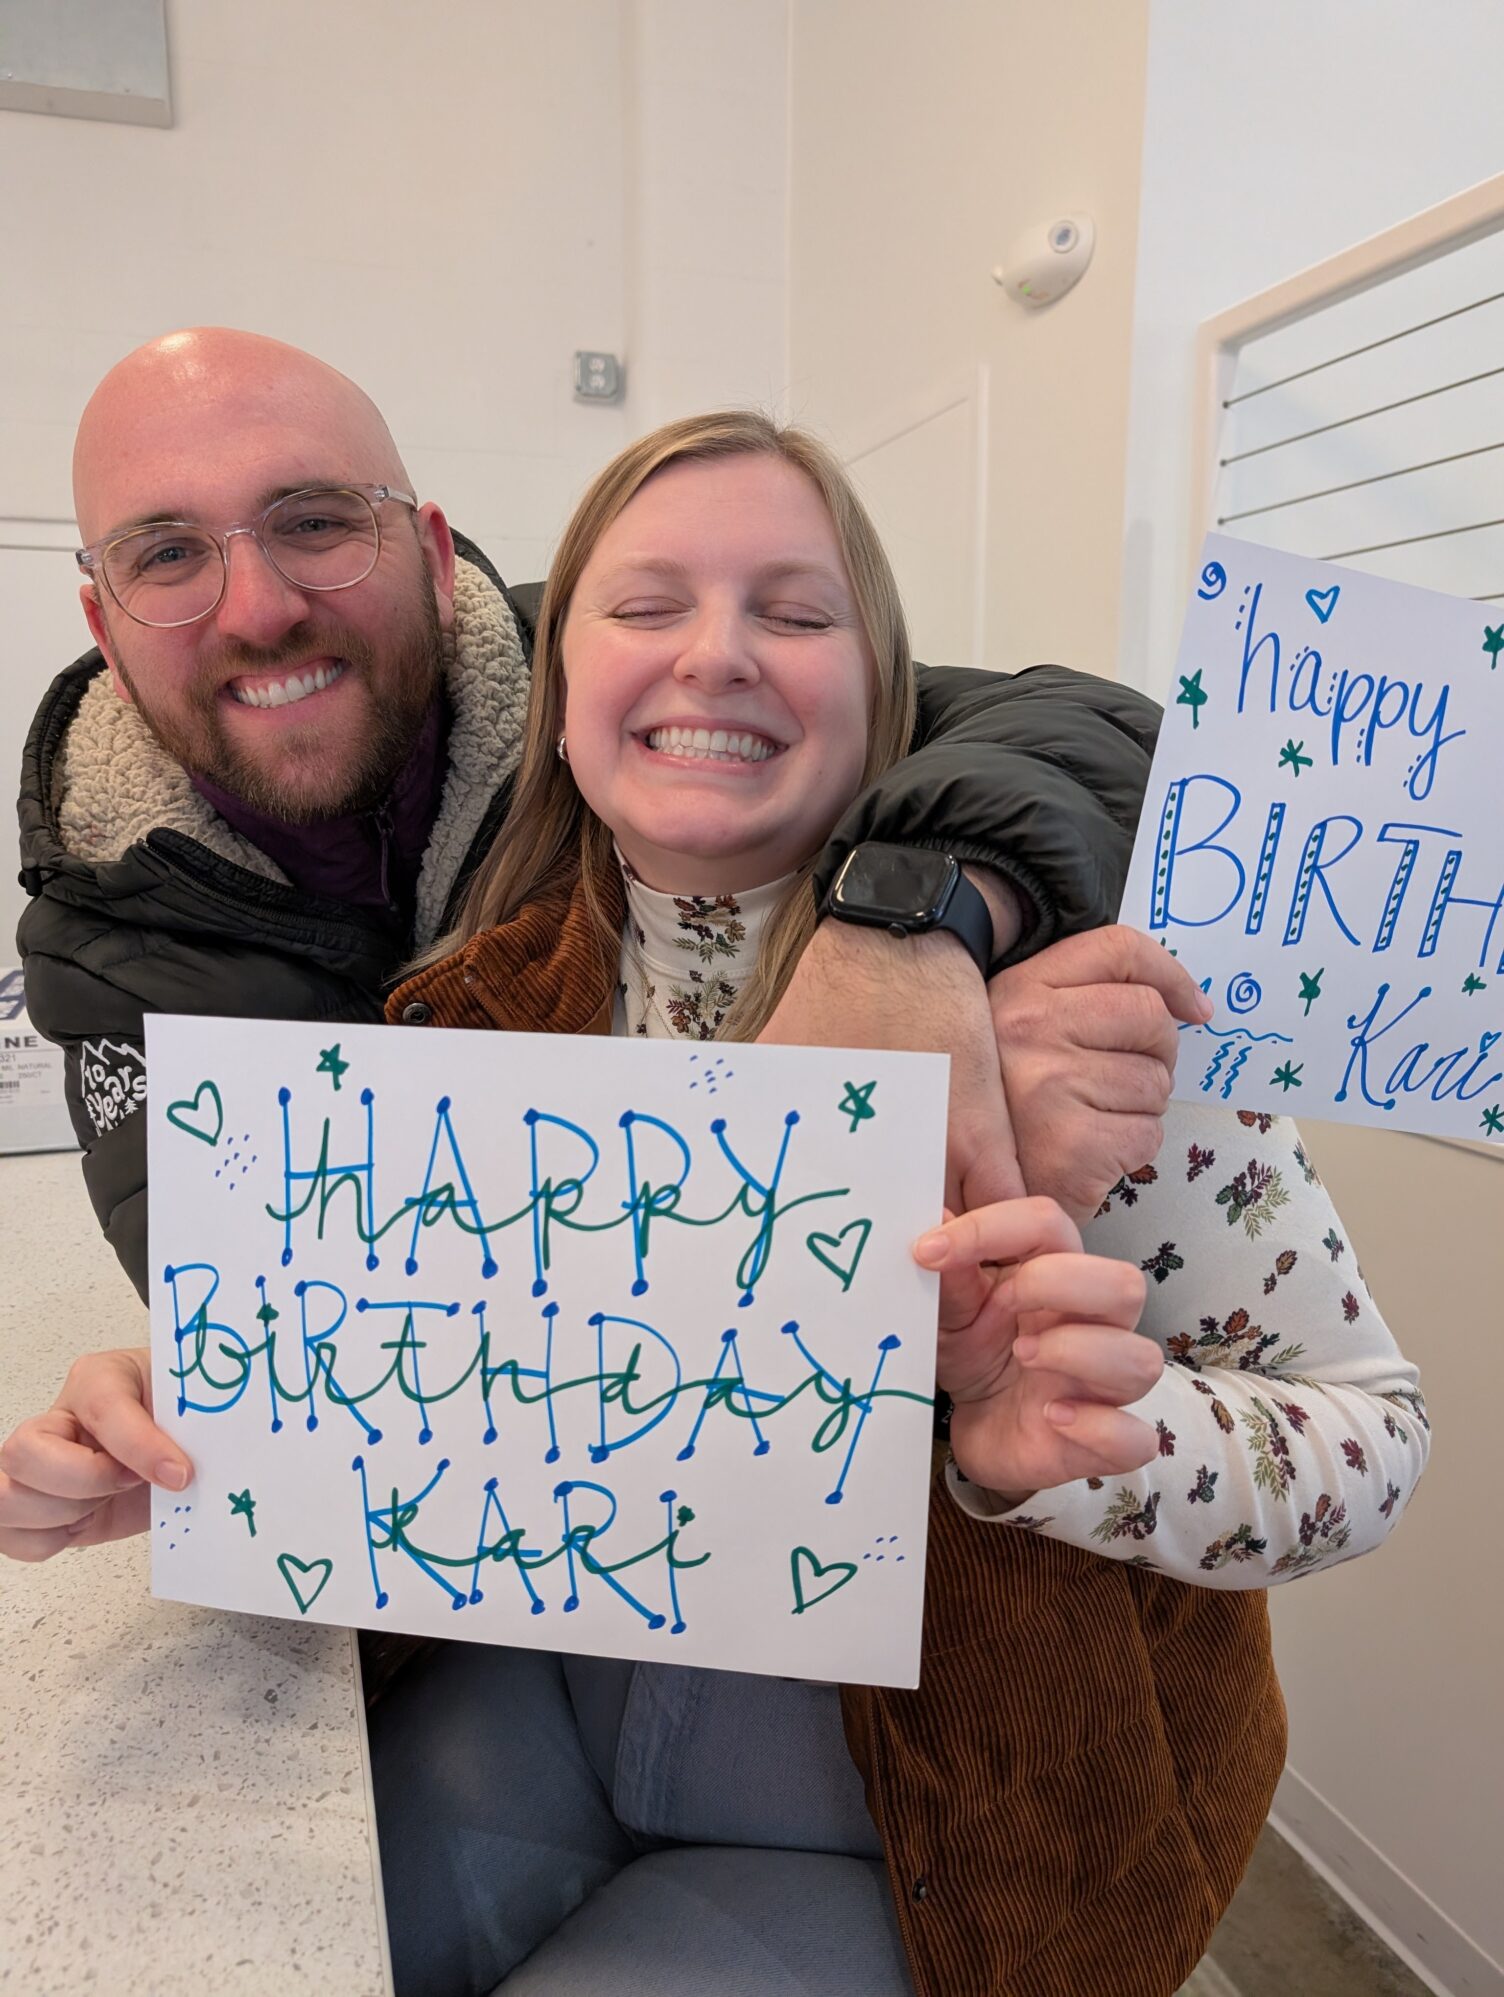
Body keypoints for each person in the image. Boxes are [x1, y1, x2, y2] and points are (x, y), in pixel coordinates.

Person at [369, 412, 1429, 1997]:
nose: (716, 655)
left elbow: (1375, 1434)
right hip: (560, 1712)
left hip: (950, 1826)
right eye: (646, 606)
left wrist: (1076, 1453)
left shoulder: (1097, 1023)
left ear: (888, 696)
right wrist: (199, 1416)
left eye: (794, 615)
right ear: (560, 690)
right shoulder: (470, 1014)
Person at [3, 325, 1183, 1562]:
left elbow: (1084, 732)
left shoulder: (617, 701)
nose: (257, 605)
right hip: (540, 1565)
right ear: (104, 616)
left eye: (313, 520)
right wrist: (182, 1418)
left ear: (429, 548)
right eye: (168, 553)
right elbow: (320, 1347)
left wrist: (912, 928)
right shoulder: (102, 954)